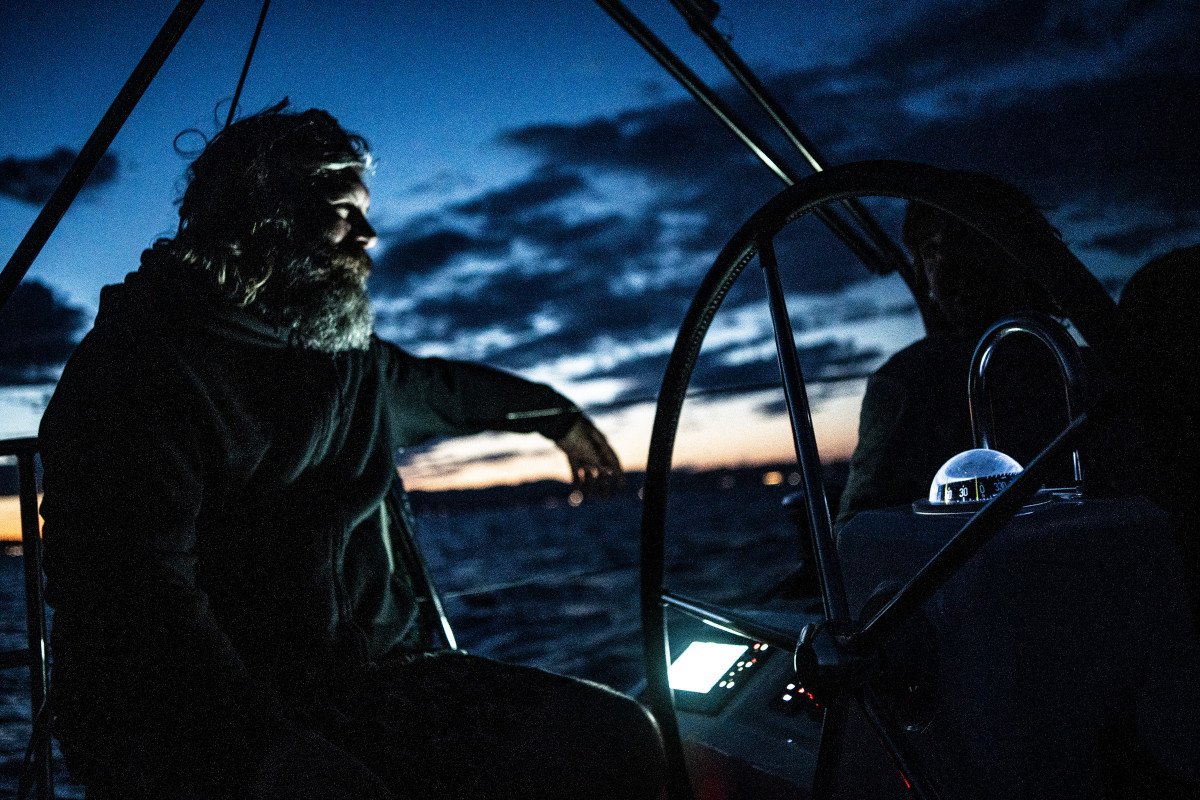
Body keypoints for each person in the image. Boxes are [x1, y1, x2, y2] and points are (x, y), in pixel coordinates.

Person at [38, 102, 665, 799]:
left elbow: (439, 388)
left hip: (367, 681)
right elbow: (135, 590)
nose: (368, 235)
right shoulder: (144, 366)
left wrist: (557, 416)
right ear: (264, 217)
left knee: (616, 734)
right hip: (210, 712)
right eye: (343, 210)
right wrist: (267, 747)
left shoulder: (344, 358)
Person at [836, 172, 1141, 526]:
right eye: (932, 250)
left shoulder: (1098, 373)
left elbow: (855, 536)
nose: (949, 264)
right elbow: (861, 532)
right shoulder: (909, 382)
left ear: (1019, 249)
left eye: (967, 239)